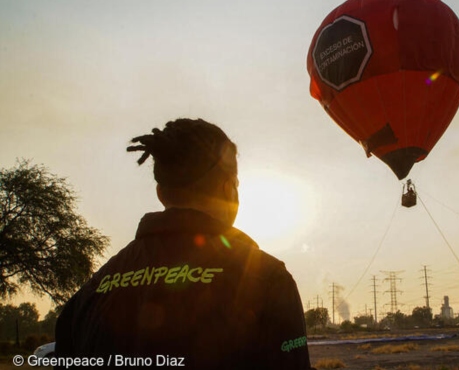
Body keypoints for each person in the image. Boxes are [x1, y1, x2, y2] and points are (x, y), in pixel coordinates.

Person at [55, 118, 312, 369]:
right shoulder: (268, 280)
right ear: (228, 188)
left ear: (161, 192)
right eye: (236, 184)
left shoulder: (88, 295)